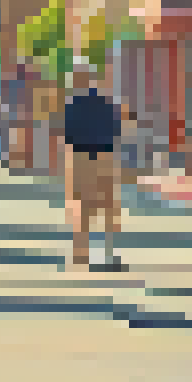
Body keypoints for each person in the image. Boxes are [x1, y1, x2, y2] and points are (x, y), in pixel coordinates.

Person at [62, 67, 125, 271]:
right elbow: (116, 130)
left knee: (82, 205)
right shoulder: (106, 103)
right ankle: (109, 252)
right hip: (105, 157)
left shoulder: (72, 104)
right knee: (108, 206)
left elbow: (68, 134)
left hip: (81, 157)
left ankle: (81, 252)